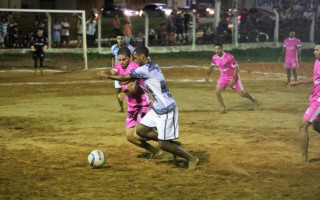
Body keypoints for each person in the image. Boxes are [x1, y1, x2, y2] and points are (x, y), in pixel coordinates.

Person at [98, 46, 199, 170]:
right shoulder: (152, 65)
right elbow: (132, 79)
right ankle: (170, 144)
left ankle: (191, 158)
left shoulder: (145, 69)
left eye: (136, 58)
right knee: (140, 130)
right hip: (158, 107)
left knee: (163, 144)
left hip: (167, 108)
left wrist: (108, 77)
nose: (135, 60)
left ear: (142, 56)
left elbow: (125, 78)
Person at [97, 47, 161, 158]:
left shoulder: (134, 68)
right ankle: (156, 151)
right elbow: (113, 71)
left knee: (139, 135)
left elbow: (132, 86)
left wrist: (124, 93)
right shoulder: (119, 65)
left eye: (124, 60)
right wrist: (105, 73)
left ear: (130, 57)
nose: (121, 62)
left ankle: (166, 139)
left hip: (143, 105)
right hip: (132, 107)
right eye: (119, 60)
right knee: (130, 137)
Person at [288, 42, 320, 163]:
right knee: (316, 126)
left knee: (303, 125)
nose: (314, 52)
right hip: (314, 98)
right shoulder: (317, 62)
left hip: (319, 100)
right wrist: (299, 82)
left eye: (317, 50)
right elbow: (315, 78)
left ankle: (303, 158)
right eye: (314, 49)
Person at [206, 43, 259, 114]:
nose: (217, 50)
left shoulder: (229, 57)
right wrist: (207, 75)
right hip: (223, 77)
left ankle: (254, 100)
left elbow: (236, 68)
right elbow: (211, 66)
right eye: (215, 49)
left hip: (233, 76)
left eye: (218, 49)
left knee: (242, 94)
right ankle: (223, 109)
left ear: (222, 49)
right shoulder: (214, 57)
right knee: (217, 92)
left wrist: (233, 79)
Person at [110, 33, 134, 112]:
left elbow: (133, 58)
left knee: (130, 88)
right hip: (118, 70)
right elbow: (113, 57)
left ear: (124, 39)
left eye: (121, 39)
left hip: (127, 70)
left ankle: (132, 106)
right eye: (118, 39)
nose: (120, 40)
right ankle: (121, 108)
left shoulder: (130, 48)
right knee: (118, 90)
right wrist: (113, 67)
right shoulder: (113, 47)